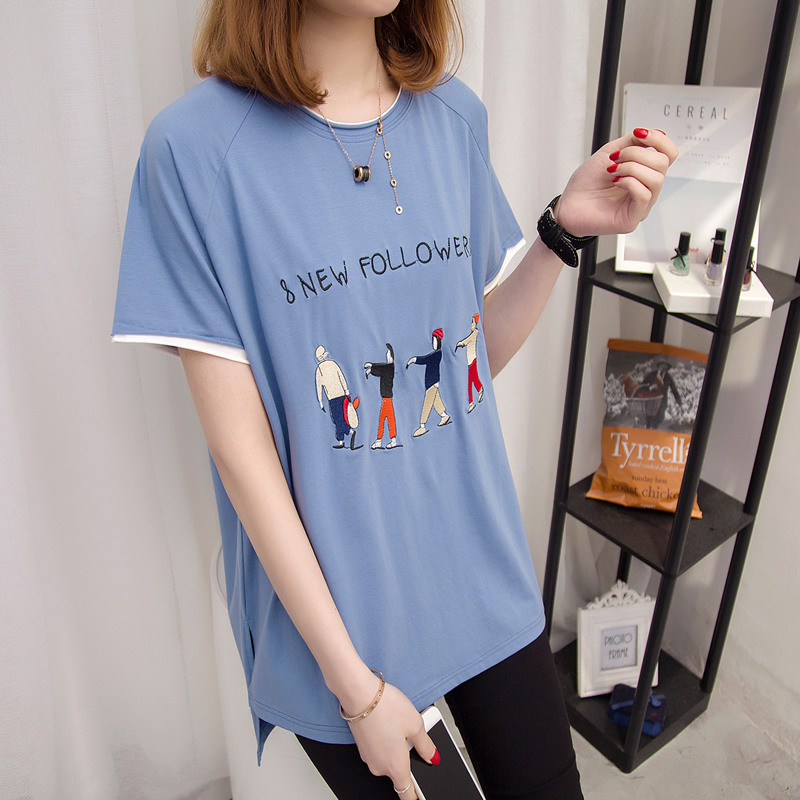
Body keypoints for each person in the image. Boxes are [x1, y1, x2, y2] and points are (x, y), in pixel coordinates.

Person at [111, 1, 677, 797]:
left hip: (478, 572)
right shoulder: (194, 152)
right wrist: (357, 689)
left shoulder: (452, 115)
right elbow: (243, 456)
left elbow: (462, 367)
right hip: (341, 625)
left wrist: (561, 232)